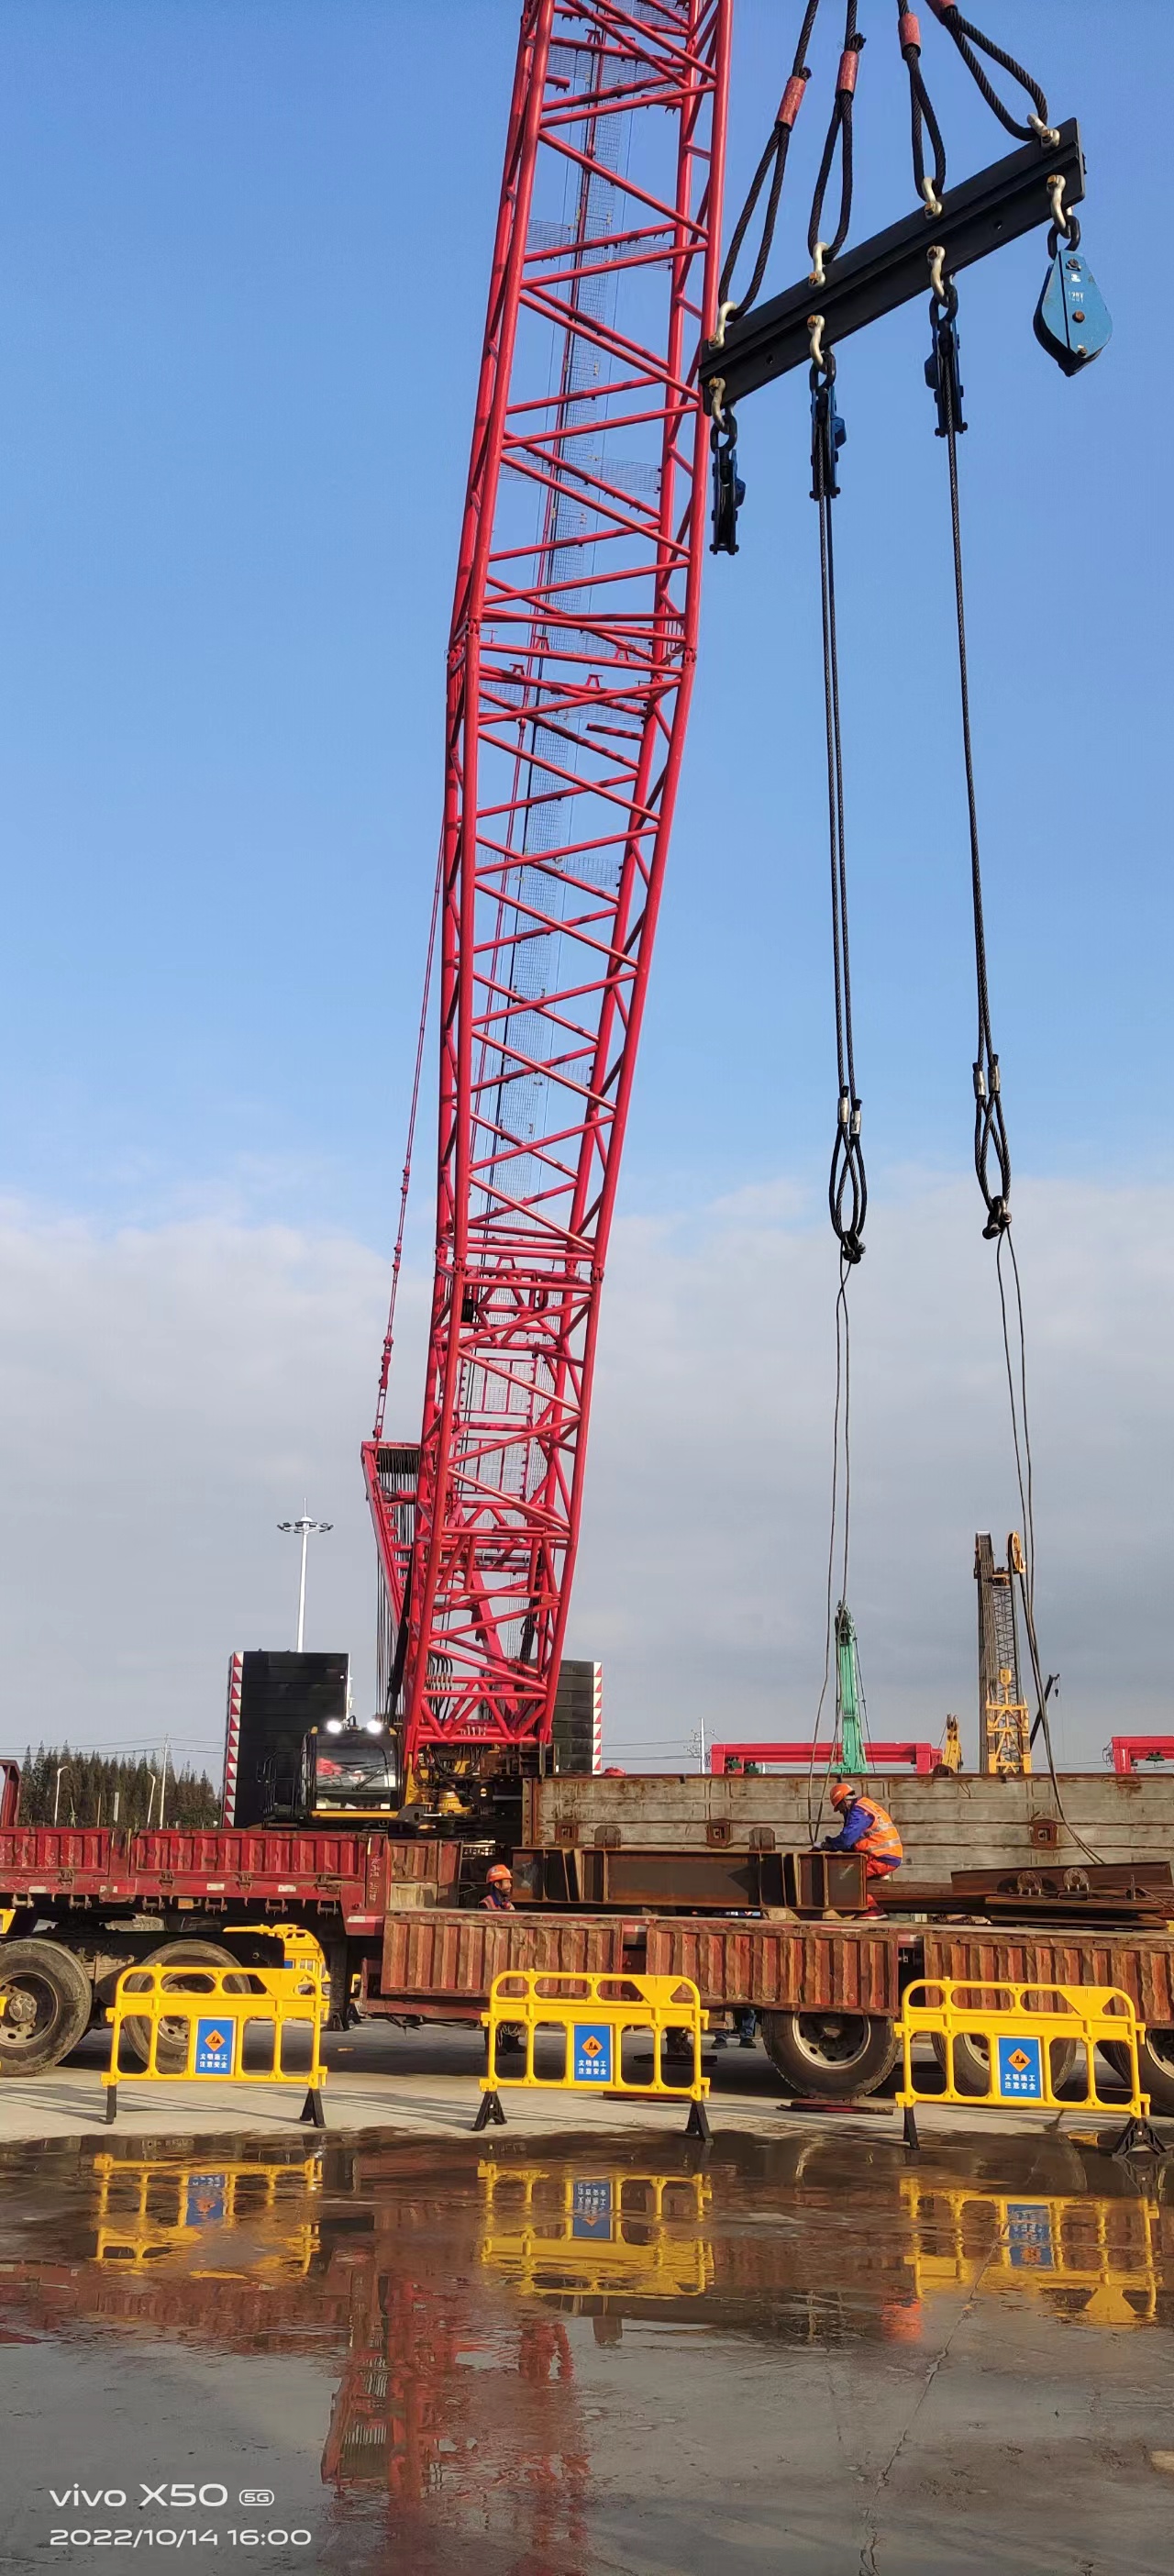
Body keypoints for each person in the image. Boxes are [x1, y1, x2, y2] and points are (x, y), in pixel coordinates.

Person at [821, 1781, 903, 1909]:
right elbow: (852, 1843)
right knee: (852, 1871)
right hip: (884, 1855)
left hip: (882, 1858)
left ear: (844, 1802)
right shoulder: (864, 1806)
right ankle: (879, 1881)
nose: (841, 1812)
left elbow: (846, 1840)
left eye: (839, 1808)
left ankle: (872, 1910)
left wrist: (829, 1845)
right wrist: (833, 1843)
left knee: (844, 1877)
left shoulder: (858, 1812)